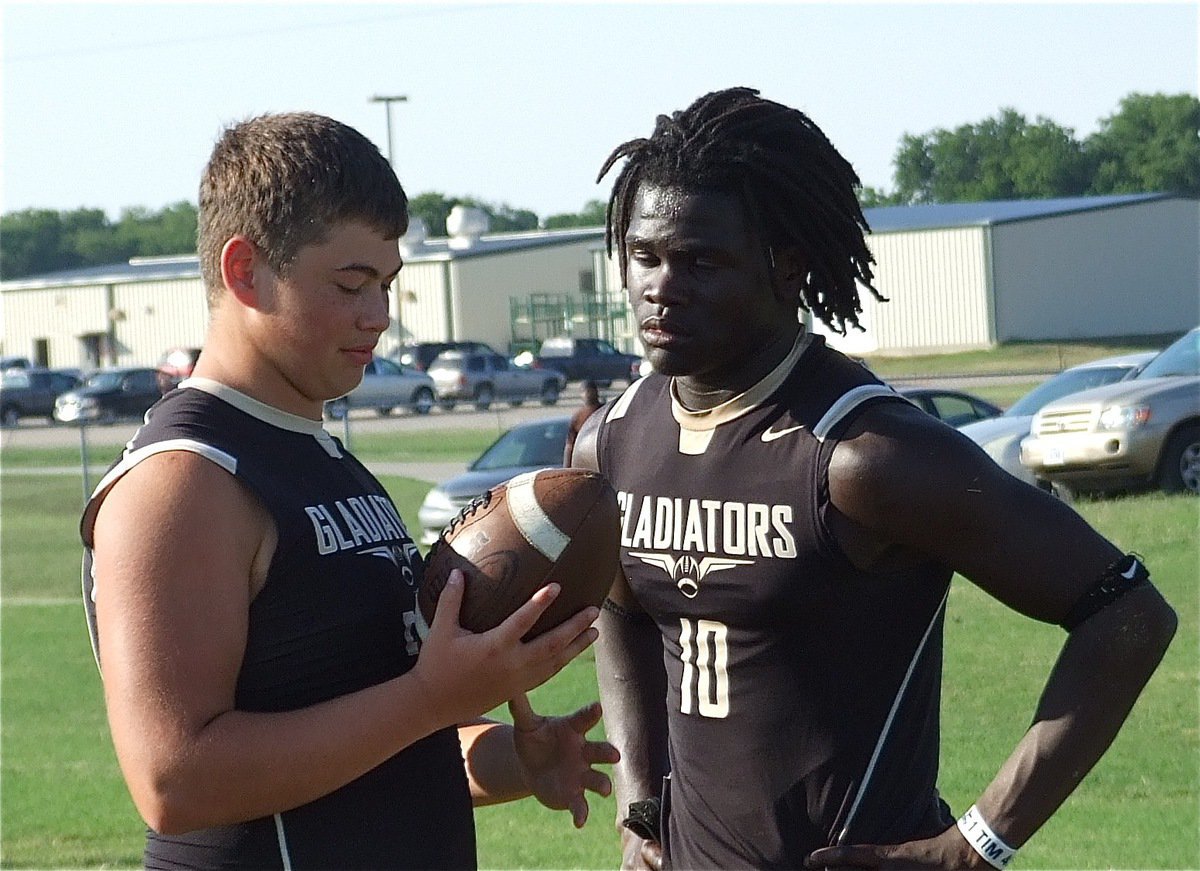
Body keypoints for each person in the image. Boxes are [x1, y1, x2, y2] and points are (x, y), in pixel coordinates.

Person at [571, 87, 1177, 871]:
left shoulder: (864, 454)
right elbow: (621, 610)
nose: (661, 286)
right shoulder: (613, 439)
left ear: (786, 268)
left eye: (701, 261)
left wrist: (973, 845)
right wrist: (638, 803)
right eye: (645, 256)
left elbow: (1128, 616)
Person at [81, 111, 617, 869]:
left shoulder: (323, 456)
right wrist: (429, 698)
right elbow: (176, 777)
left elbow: (375, 736)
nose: (380, 317)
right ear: (245, 272)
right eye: (351, 284)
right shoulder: (183, 479)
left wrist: (511, 760)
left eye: (388, 284)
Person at [564, 379, 604, 465]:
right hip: (584, 461)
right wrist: (566, 467)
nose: (588, 394)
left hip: (603, 456)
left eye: (590, 391)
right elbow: (570, 445)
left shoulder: (605, 411)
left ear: (596, 392)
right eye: (585, 391)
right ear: (580, 394)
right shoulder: (578, 417)